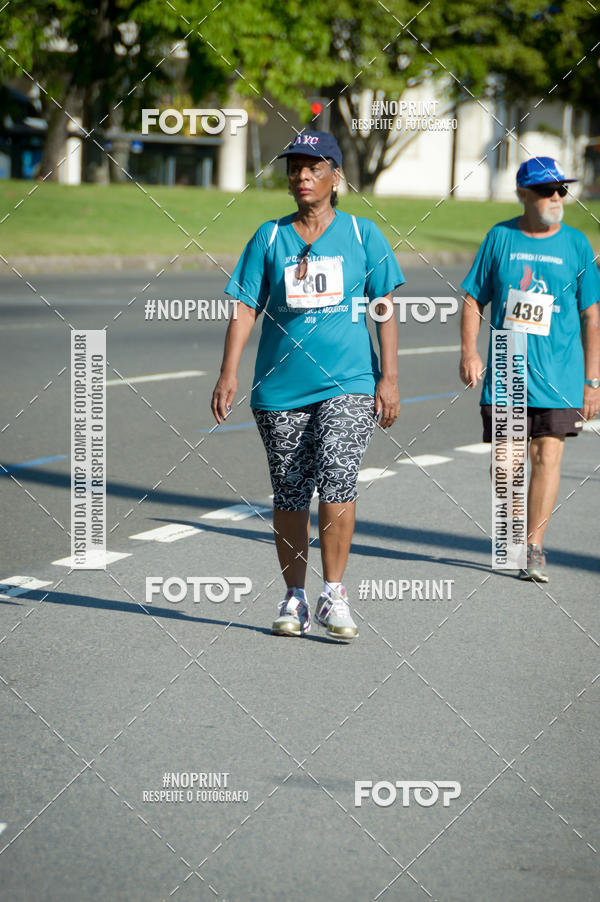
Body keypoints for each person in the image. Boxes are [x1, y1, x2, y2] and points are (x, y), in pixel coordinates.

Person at [211, 130, 404, 639]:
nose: (302, 176)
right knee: (290, 491)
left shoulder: (363, 236)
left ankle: (333, 593)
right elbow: (246, 306)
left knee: (338, 473)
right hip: (280, 389)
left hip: (350, 382)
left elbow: (383, 308)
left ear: (336, 177)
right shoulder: (269, 237)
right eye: (295, 167)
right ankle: (295, 596)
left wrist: (389, 377)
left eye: (314, 167)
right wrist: (228, 372)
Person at [460, 156, 600, 581]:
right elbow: (472, 298)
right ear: (523, 194)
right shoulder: (500, 238)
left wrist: (593, 381)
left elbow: (592, 316)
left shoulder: (577, 245)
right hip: (507, 366)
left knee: (547, 454)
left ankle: (533, 546)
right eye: (546, 190)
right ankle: (513, 533)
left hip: (560, 372)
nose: (556, 197)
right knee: (505, 461)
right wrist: (469, 352)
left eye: (562, 189)